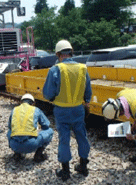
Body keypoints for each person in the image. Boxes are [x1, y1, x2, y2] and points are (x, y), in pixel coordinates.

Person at [43, 40, 92, 181]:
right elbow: (88, 90)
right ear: (72, 52)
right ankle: (83, 166)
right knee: (82, 136)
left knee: (64, 139)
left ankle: (65, 171)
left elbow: (47, 94)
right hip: (78, 109)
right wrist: (86, 102)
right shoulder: (83, 68)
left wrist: (53, 98)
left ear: (58, 54)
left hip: (61, 110)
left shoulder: (55, 69)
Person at [7, 94, 54, 162]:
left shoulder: (14, 110)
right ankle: (38, 155)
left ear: (21, 102)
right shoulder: (36, 110)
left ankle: (17, 154)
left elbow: (10, 127)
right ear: (33, 103)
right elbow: (46, 125)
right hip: (31, 145)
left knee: (9, 132)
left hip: (14, 145)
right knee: (50, 131)